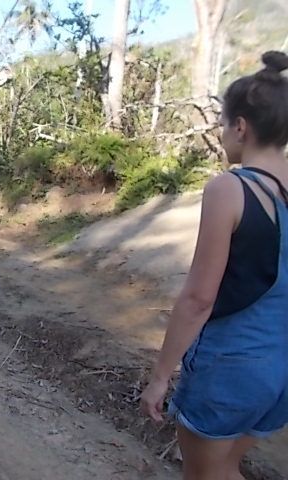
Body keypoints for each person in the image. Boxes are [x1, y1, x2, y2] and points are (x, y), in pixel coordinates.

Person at [141, 51, 288, 480]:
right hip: (280, 371)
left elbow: (199, 298)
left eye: (223, 125)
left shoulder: (230, 189)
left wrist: (160, 377)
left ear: (240, 127)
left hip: (232, 369)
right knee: (225, 468)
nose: (222, 135)